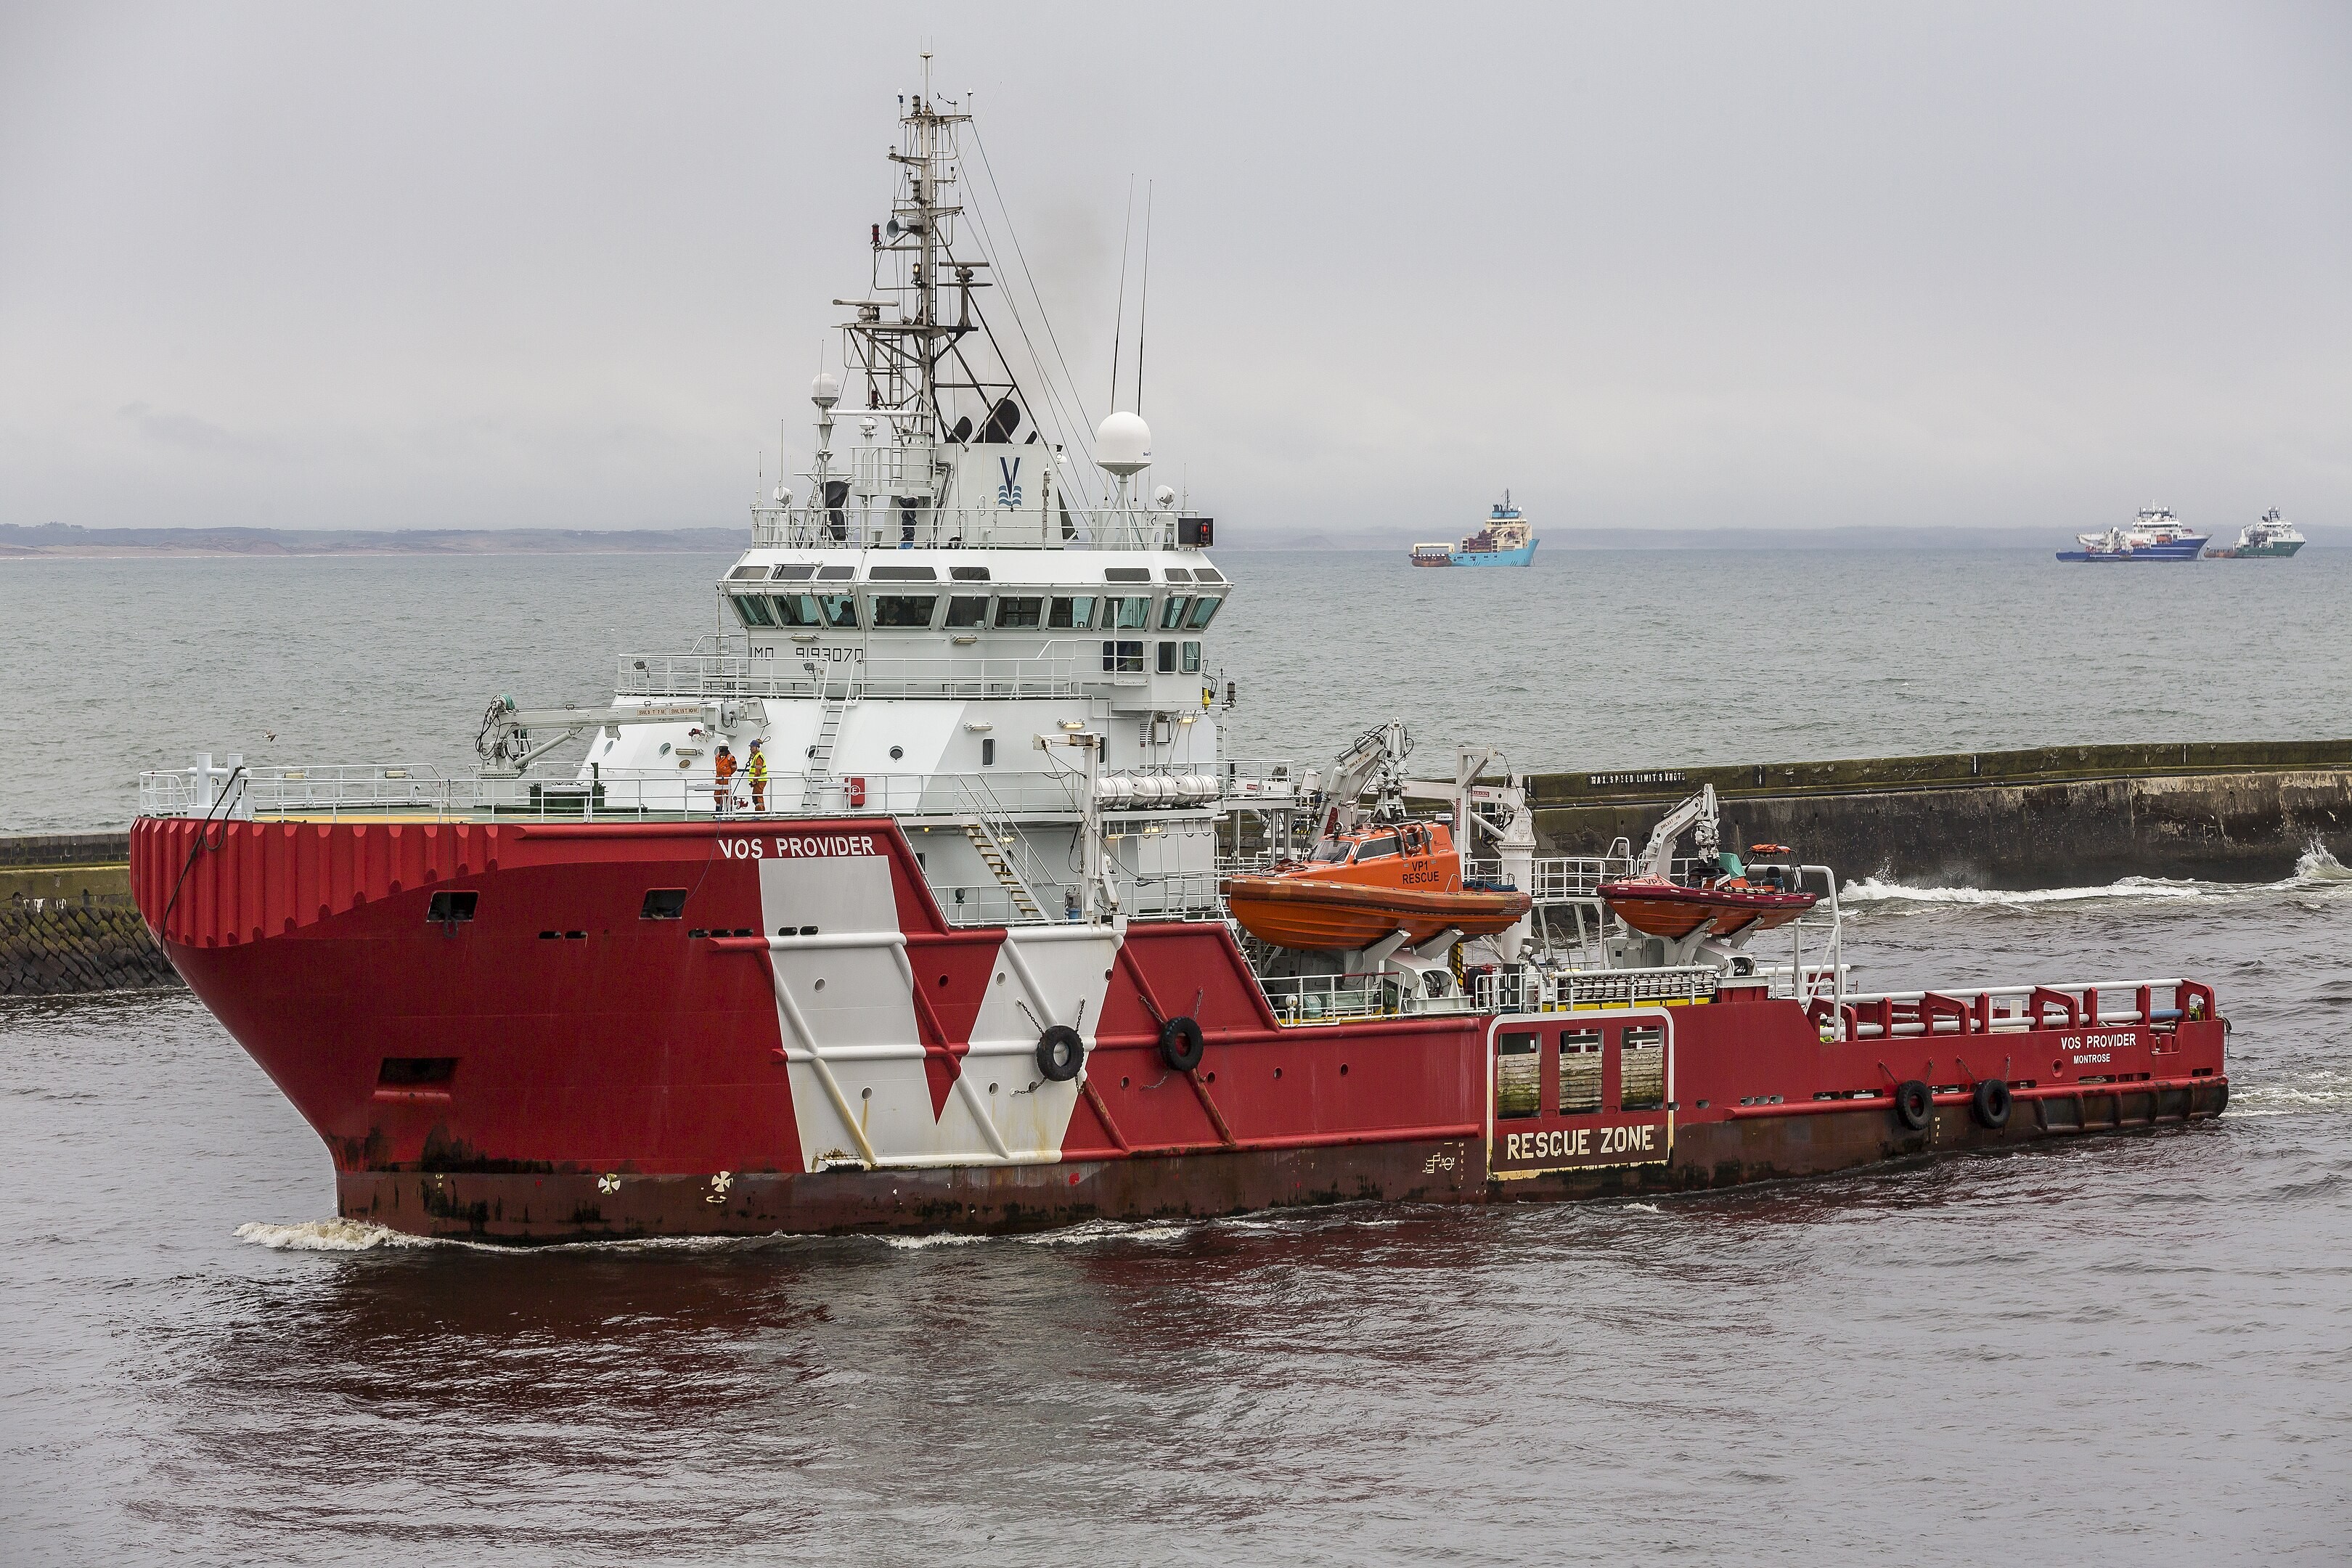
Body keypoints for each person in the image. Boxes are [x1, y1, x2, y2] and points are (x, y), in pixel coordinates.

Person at [745, 738, 769, 813]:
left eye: (752, 747)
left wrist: (755, 780)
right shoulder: (756, 756)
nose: (751, 749)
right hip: (759, 780)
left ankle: (760, 813)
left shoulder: (758, 757)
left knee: (757, 796)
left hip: (759, 781)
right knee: (756, 796)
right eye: (750, 747)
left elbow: (758, 770)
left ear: (757, 748)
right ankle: (760, 812)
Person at [713, 745, 737, 817]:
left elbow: (734, 768)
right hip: (718, 778)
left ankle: (729, 811)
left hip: (726, 778)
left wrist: (728, 774)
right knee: (717, 794)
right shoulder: (717, 757)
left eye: (721, 747)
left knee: (727, 794)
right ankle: (718, 811)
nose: (720, 749)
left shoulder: (730, 758)